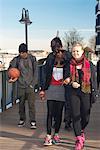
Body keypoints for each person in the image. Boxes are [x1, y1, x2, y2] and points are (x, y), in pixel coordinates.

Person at [39, 37, 70, 146]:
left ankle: (56, 134)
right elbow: (44, 74)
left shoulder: (67, 56)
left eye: (57, 47)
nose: (56, 49)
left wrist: (64, 57)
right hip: (51, 88)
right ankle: (48, 136)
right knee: (50, 113)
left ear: (60, 46)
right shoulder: (50, 57)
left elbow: (72, 69)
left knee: (59, 114)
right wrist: (42, 89)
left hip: (62, 89)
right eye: (53, 47)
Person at [67, 43, 98, 150]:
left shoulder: (90, 65)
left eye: (77, 51)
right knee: (75, 115)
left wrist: (95, 94)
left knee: (85, 116)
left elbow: (94, 81)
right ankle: (79, 139)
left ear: (82, 52)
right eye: (73, 51)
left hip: (86, 92)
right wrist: (70, 82)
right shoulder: (69, 64)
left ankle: (81, 129)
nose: (75, 53)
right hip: (73, 93)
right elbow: (66, 77)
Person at [8, 43, 38, 129]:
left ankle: (33, 121)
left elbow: (36, 72)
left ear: (27, 52)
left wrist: (33, 84)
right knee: (21, 104)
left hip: (30, 85)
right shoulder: (16, 60)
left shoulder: (32, 59)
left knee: (31, 104)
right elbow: (11, 69)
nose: (21, 55)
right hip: (21, 85)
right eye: (20, 53)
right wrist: (11, 78)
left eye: (23, 53)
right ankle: (22, 119)